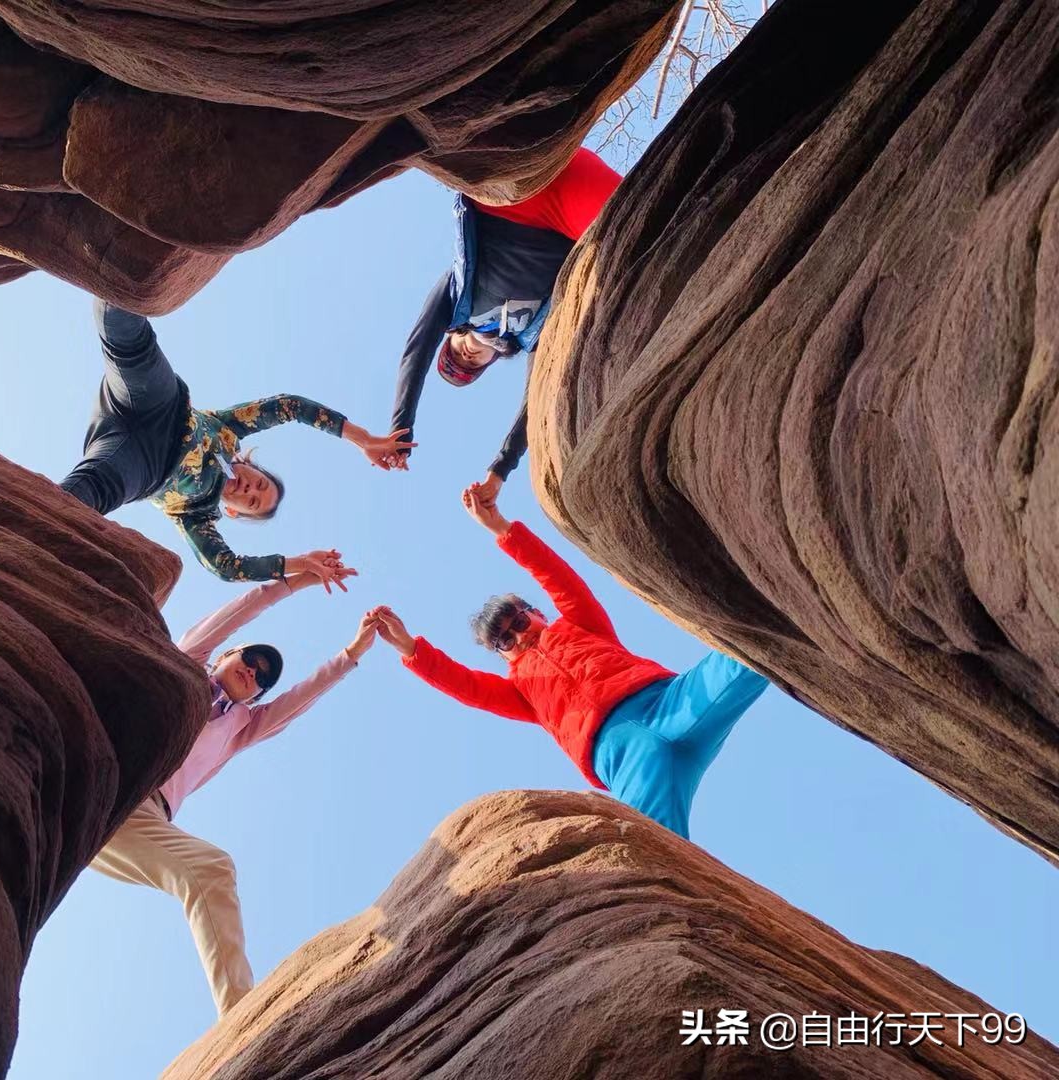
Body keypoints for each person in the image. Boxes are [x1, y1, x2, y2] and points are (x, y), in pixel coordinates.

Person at [365, 484, 768, 841]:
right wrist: (408, 647)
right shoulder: (519, 691)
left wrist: (501, 529)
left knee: (751, 647)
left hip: (669, 704)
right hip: (622, 759)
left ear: (537, 613)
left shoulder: (579, 623)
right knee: (659, 853)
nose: (519, 635)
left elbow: (557, 576)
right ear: (502, 654)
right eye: (505, 639)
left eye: (520, 621)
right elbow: (466, 686)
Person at [89, 567, 376, 1016]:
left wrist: (352, 654)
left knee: (209, 870)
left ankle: (241, 1023)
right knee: (210, 869)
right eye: (249, 659)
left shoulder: (241, 728)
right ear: (224, 655)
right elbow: (237, 613)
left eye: (261, 677)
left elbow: (300, 697)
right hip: (104, 774)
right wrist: (293, 579)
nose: (252, 671)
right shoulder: (186, 663)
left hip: (139, 815)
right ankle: (244, 1017)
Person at [60, 299, 412, 582]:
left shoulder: (196, 516)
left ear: (233, 511)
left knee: (87, 494)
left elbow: (226, 567)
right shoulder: (228, 432)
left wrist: (298, 563)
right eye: (260, 484)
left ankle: (22, 535)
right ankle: (117, 257)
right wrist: (362, 438)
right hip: (159, 406)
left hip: (141, 464)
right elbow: (288, 407)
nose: (250, 490)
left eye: (253, 502)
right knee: (122, 326)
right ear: (248, 465)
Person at [383, 146, 621, 499]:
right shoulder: (531, 337)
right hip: (571, 225)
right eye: (469, 366)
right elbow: (535, 401)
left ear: (450, 336)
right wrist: (500, 470)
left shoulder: (456, 297)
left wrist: (401, 428)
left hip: (515, 202)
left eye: (454, 354)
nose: (465, 357)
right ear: (490, 362)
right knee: (649, 228)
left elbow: (416, 351)